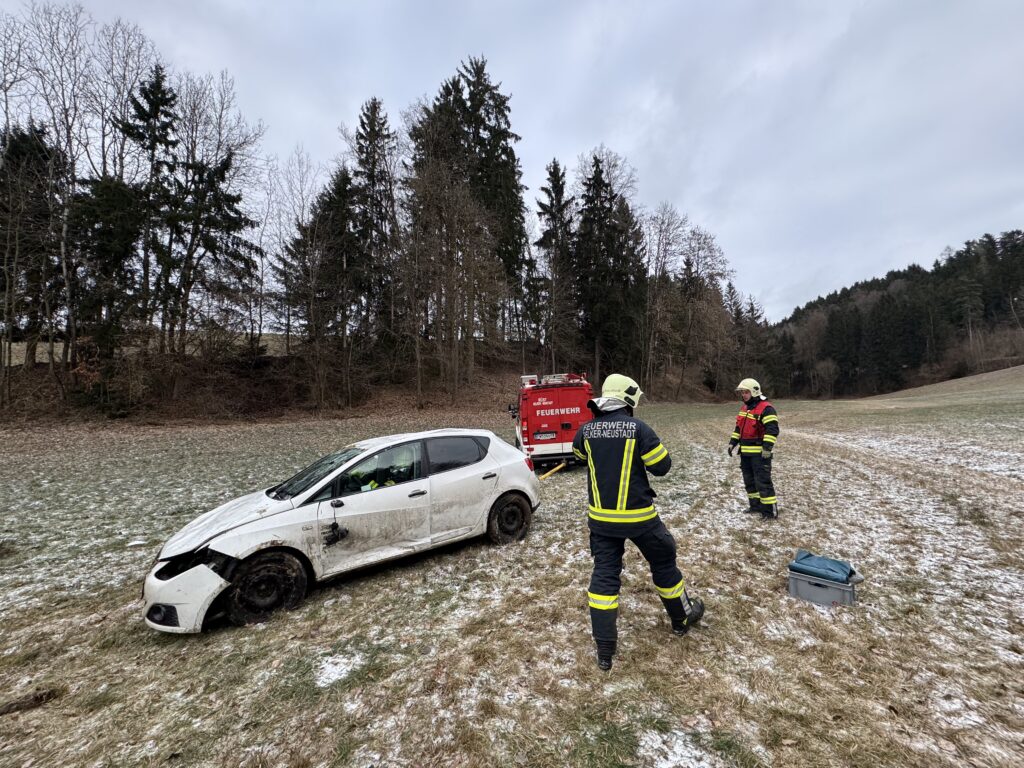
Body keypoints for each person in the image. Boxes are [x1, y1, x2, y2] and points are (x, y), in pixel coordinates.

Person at [572, 373, 704, 671]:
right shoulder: (639, 429)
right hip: (640, 519)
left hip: (601, 521)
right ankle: (681, 619)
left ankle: (605, 649)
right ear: (628, 399)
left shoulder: (586, 430)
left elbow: (579, 455)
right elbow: (662, 466)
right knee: (664, 561)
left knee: (604, 576)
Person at [727, 378, 780, 520]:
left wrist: (767, 448)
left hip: (760, 454)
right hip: (745, 453)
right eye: (742, 392)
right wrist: (732, 443)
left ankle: (769, 512)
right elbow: (738, 428)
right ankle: (755, 506)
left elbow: (772, 430)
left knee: (763, 482)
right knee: (749, 482)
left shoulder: (766, 408)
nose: (743, 395)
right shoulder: (744, 408)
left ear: (754, 392)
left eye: (746, 392)